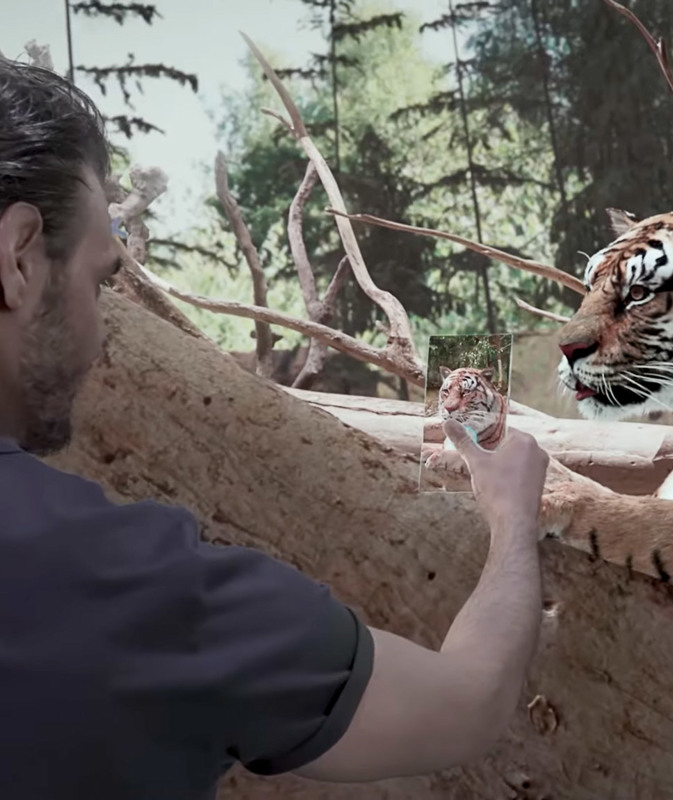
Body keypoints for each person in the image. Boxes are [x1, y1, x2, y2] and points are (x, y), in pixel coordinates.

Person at [0, 57, 550, 797]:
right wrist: (513, 520)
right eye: (101, 281)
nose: (102, 330)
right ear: (17, 257)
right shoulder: (134, 586)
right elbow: (468, 703)